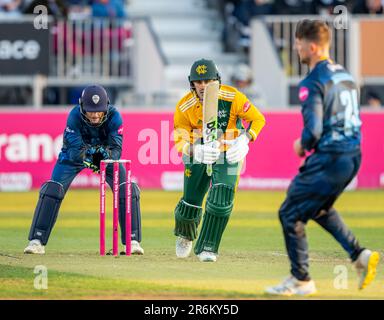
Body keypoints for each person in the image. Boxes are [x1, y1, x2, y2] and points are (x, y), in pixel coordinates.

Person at [265, 19, 379, 296]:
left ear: (312, 46)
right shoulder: (345, 75)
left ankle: (300, 279)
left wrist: (301, 145)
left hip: (332, 155)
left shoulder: (313, 81)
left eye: (298, 44)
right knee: (317, 208)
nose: (296, 48)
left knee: (289, 212)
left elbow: (313, 130)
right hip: (353, 155)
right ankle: (358, 254)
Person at [24, 84, 144, 255]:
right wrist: (93, 157)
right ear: (82, 107)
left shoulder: (115, 116)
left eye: (99, 110)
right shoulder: (74, 116)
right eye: (90, 110)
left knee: (127, 188)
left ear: (106, 106)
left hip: (106, 157)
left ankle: (132, 241)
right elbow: (74, 152)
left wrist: (101, 156)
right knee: (52, 190)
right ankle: (36, 240)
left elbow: (116, 152)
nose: (95, 115)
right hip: (74, 157)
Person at [173, 58, 266, 262]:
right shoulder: (184, 106)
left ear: (217, 80)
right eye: (199, 82)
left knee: (222, 199)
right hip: (200, 152)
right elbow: (179, 136)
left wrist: (245, 139)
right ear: (192, 83)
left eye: (208, 81)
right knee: (191, 202)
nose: (204, 86)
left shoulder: (233, 97)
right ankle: (185, 234)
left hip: (228, 152)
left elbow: (258, 119)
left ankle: (208, 246)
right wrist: (194, 151)